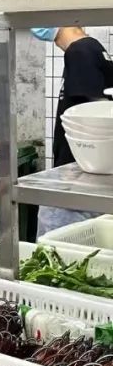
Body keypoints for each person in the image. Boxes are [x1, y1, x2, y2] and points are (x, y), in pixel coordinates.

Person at [32, 26, 113, 235]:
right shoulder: (92, 49)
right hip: (85, 176)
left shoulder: (80, 52)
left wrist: (70, 177)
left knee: (56, 252)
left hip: (75, 180)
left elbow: (93, 117)